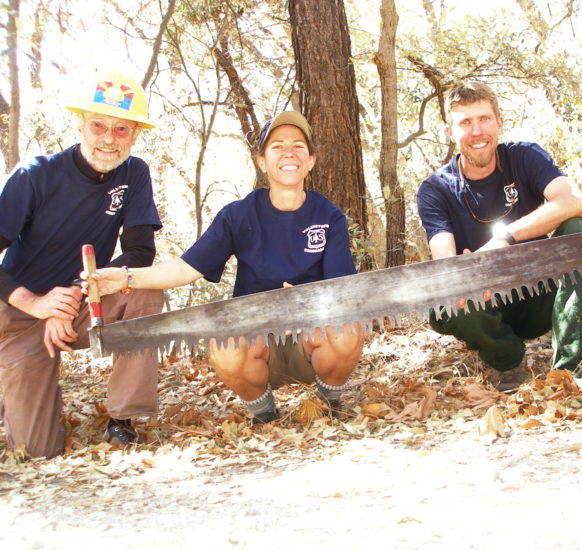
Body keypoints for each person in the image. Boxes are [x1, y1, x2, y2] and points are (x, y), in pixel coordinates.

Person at [87, 111, 364, 424]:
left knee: (348, 330)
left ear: (310, 160)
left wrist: (305, 301)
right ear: (261, 161)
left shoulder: (329, 216)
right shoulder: (238, 215)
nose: (289, 152)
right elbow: (185, 269)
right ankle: (264, 415)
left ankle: (330, 402)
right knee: (224, 346)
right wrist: (125, 278)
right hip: (259, 345)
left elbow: (343, 294)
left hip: (312, 338)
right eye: (277, 146)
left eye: (298, 146)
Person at [0, 72, 164, 459]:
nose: (109, 138)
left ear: (135, 134)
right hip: (19, 314)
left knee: (143, 287)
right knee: (35, 452)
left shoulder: (134, 173)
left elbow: (140, 251)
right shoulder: (34, 176)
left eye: (121, 129)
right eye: (99, 125)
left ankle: (122, 419)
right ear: (80, 124)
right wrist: (37, 304)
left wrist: (74, 294)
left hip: (79, 306)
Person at [416, 80, 582, 391]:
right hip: (486, 306)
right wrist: (469, 275)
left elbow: (574, 202)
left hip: (539, 293)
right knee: (448, 295)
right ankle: (506, 361)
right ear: (450, 132)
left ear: (499, 123)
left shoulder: (524, 157)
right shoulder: (435, 189)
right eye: (465, 122)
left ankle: (575, 368)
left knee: (580, 232)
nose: (477, 131)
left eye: (484, 119)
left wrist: (503, 239)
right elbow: (444, 258)